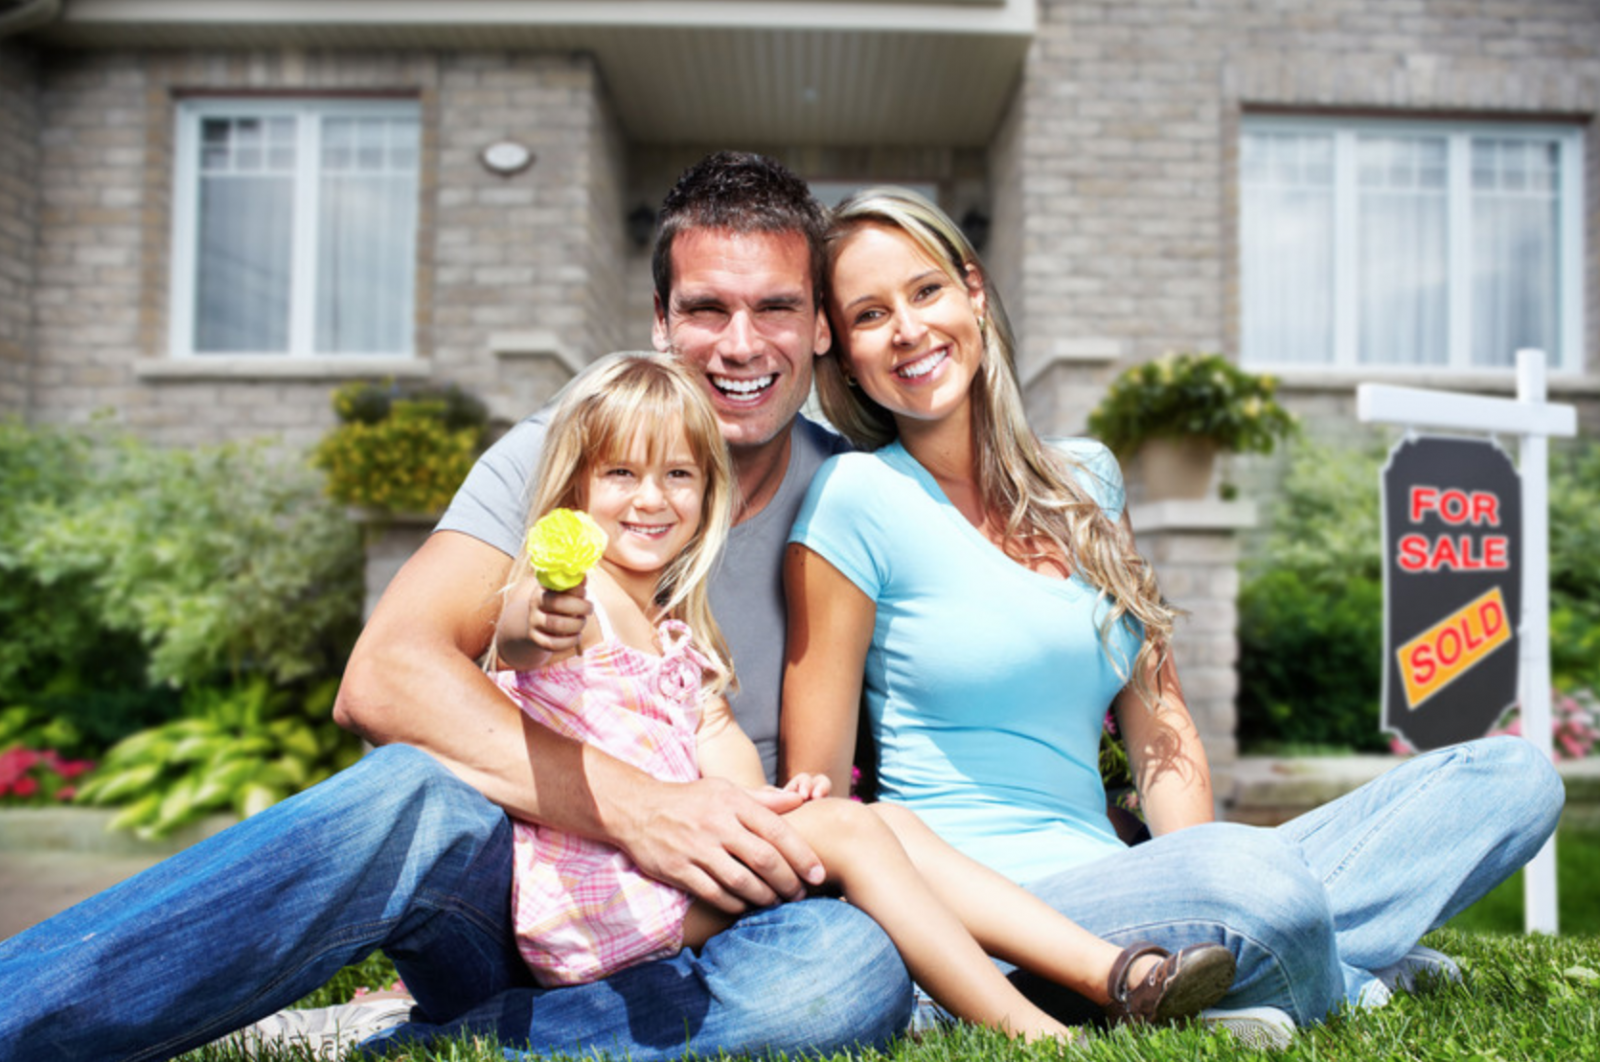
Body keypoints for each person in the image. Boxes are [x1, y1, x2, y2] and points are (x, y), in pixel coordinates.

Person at [0, 153, 908, 1062]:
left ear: (822, 327)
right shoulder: (561, 454)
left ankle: (428, 1049)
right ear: (662, 323)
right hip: (524, 894)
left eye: (776, 308)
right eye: (707, 308)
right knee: (410, 794)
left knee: (843, 972)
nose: (741, 344)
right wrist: (637, 808)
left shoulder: (854, 496)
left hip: (704, 930)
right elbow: (384, 679)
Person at [779, 184, 1567, 1038]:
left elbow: (1161, 732)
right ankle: (1324, 970)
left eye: (926, 290)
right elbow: (825, 805)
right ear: (846, 356)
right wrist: (1221, 882)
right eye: (868, 314)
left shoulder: (1087, 481)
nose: (907, 329)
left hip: (1137, 879)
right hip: (993, 918)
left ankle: (1244, 957)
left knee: (1514, 780)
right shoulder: (856, 498)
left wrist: (1192, 871)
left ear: (973, 290)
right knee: (1259, 884)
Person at [482, 351, 1236, 1041]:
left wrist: (789, 808)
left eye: (677, 475)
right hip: (597, 902)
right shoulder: (582, 599)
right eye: (621, 475)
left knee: (882, 824)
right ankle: (1041, 1031)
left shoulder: (677, 630)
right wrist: (543, 610)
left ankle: (1121, 974)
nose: (651, 498)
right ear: (575, 486)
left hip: (665, 885)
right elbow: (521, 636)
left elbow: (729, 767)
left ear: (706, 490)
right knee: (856, 833)